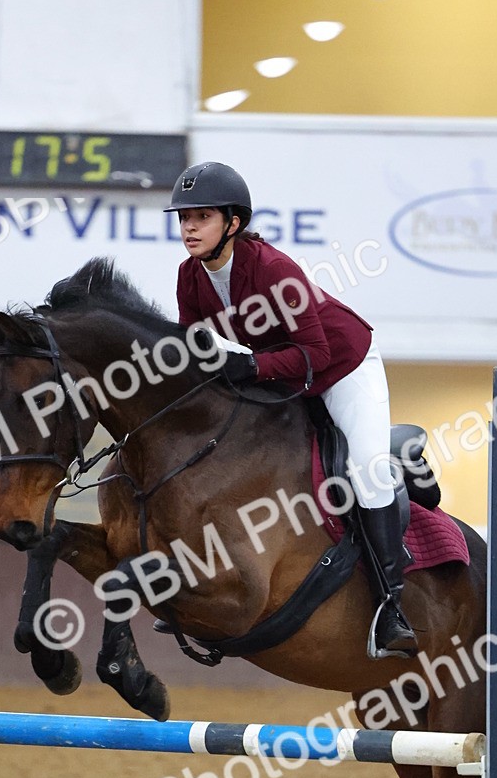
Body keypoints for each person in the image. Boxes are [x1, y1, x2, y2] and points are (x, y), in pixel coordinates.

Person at [165, 160, 418, 659]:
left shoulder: (274, 269)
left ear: (233, 223)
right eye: (184, 218)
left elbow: (317, 354)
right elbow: (194, 345)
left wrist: (251, 367)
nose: (189, 227)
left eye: (201, 217)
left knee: (367, 471)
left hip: (344, 368)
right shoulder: (189, 276)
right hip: (282, 379)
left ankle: (392, 605)